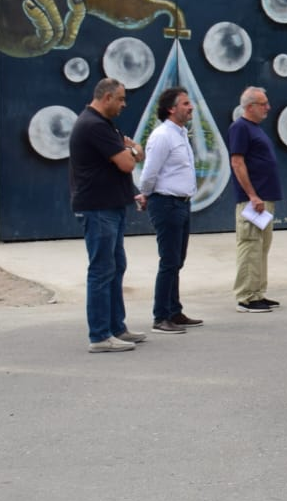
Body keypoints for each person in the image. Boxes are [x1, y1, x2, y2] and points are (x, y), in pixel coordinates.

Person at [68, 76, 148, 353]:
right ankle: (100, 336)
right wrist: (134, 150)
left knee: (115, 267)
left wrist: (130, 150)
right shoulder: (94, 126)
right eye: (121, 99)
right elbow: (127, 162)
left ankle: (116, 328)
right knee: (102, 270)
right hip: (98, 208)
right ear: (107, 98)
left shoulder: (105, 124)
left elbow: (128, 155)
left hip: (111, 206)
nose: (124, 104)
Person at [139, 85, 203, 333]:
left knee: (177, 260)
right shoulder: (162, 135)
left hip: (182, 203)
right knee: (169, 260)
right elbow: (149, 173)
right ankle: (161, 316)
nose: (190, 107)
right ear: (171, 109)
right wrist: (146, 194)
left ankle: (174, 311)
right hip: (166, 203)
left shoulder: (181, 133)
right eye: (185, 103)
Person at [229, 86, 283, 313]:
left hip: (264, 199)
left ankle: (258, 291)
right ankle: (246, 297)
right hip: (253, 200)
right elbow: (237, 162)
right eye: (263, 104)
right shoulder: (240, 128)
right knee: (250, 245)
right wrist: (252, 195)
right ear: (250, 106)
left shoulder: (255, 129)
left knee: (261, 247)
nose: (268, 108)